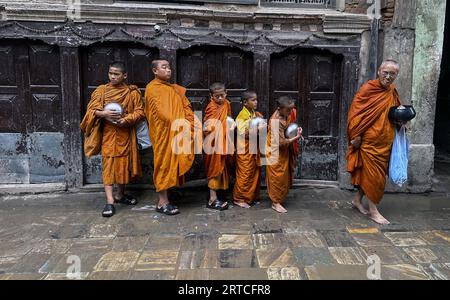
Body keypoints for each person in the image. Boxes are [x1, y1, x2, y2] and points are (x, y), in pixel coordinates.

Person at [80, 61, 144, 217]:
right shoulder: (101, 91)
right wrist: (104, 114)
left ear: (124, 75)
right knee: (108, 168)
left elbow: (140, 112)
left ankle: (120, 195)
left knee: (123, 168)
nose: (113, 76)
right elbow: (91, 111)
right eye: (110, 73)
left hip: (126, 134)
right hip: (108, 135)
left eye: (116, 74)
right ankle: (109, 202)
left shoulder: (132, 92)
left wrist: (126, 120)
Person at [346, 59, 402, 225]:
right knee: (374, 178)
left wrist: (403, 121)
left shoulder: (392, 91)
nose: (388, 76)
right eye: (385, 72)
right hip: (369, 143)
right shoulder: (368, 89)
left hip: (385, 142)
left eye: (392, 74)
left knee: (371, 176)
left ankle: (357, 200)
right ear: (379, 71)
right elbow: (355, 114)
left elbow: (395, 112)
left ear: (396, 75)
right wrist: (355, 135)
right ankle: (373, 211)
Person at [144, 59, 195, 216]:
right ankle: (162, 202)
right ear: (155, 71)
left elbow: (184, 105)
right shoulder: (152, 89)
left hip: (175, 130)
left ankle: (169, 193)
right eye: (164, 67)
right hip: (163, 133)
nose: (168, 70)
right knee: (164, 164)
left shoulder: (172, 89)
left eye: (169, 67)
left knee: (173, 162)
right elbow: (161, 113)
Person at [265, 96, 303, 213]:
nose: (290, 112)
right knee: (276, 177)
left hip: (284, 151)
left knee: (283, 176)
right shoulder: (276, 121)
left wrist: (295, 130)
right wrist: (295, 137)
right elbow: (281, 143)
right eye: (288, 110)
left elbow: (290, 126)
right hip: (275, 151)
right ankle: (275, 202)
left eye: (291, 109)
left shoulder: (288, 113)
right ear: (279, 109)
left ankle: (279, 198)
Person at [203, 82, 235, 211]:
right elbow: (209, 125)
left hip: (224, 141)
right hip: (213, 144)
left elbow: (228, 118)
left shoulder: (227, 103)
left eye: (222, 95)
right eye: (217, 96)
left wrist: (231, 125)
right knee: (214, 170)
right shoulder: (211, 107)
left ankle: (219, 194)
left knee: (223, 168)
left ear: (226, 93)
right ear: (211, 96)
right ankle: (212, 199)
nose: (220, 99)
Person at [233, 91, 264, 208]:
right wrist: (257, 129)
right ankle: (239, 198)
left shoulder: (253, 113)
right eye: (253, 100)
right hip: (244, 149)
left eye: (256, 100)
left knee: (253, 172)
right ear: (245, 102)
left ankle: (250, 197)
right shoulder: (242, 116)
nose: (256, 102)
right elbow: (242, 133)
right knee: (245, 173)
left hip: (252, 148)